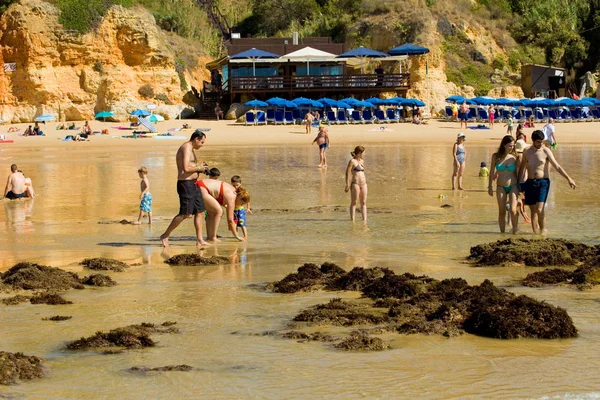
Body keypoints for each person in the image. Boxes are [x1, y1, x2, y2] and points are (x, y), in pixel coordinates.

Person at [518, 130, 576, 234]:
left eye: (541, 141)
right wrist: (519, 183)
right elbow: (522, 168)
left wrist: (569, 178)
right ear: (533, 141)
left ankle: (543, 231)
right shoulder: (526, 151)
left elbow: (557, 166)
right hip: (530, 182)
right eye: (538, 142)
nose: (540, 144)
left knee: (540, 209)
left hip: (543, 182)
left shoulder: (546, 151)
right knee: (533, 210)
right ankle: (536, 234)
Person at [160, 130, 209, 247]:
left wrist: (201, 168)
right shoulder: (186, 147)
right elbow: (186, 169)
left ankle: (200, 240)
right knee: (185, 214)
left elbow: (191, 165)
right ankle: (165, 235)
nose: (202, 145)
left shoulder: (191, 149)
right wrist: (199, 168)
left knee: (200, 211)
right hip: (185, 184)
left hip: (194, 183)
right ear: (196, 139)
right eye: (201, 142)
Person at [196, 168, 245, 242]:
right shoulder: (232, 196)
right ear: (240, 197)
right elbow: (230, 220)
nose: (240, 205)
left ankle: (210, 236)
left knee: (211, 213)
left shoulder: (232, 191)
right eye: (242, 203)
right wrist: (237, 236)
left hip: (199, 185)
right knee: (219, 212)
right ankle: (213, 237)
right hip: (202, 187)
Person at [488, 135, 520, 233]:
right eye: (510, 146)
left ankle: (515, 230)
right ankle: (502, 234)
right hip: (500, 186)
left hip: (513, 185)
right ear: (504, 145)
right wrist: (489, 186)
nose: (512, 148)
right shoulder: (496, 156)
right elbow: (492, 171)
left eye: (513, 146)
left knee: (513, 210)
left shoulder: (515, 156)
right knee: (502, 211)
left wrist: (521, 188)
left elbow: (518, 173)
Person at [345, 146, 367, 222]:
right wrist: (347, 184)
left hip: (363, 184)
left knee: (363, 202)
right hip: (355, 183)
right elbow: (347, 173)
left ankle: (364, 220)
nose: (364, 154)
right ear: (359, 153)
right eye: (363, 152)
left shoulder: (362, 161)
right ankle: (353, 220)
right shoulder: (352, 161)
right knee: (354, 202)